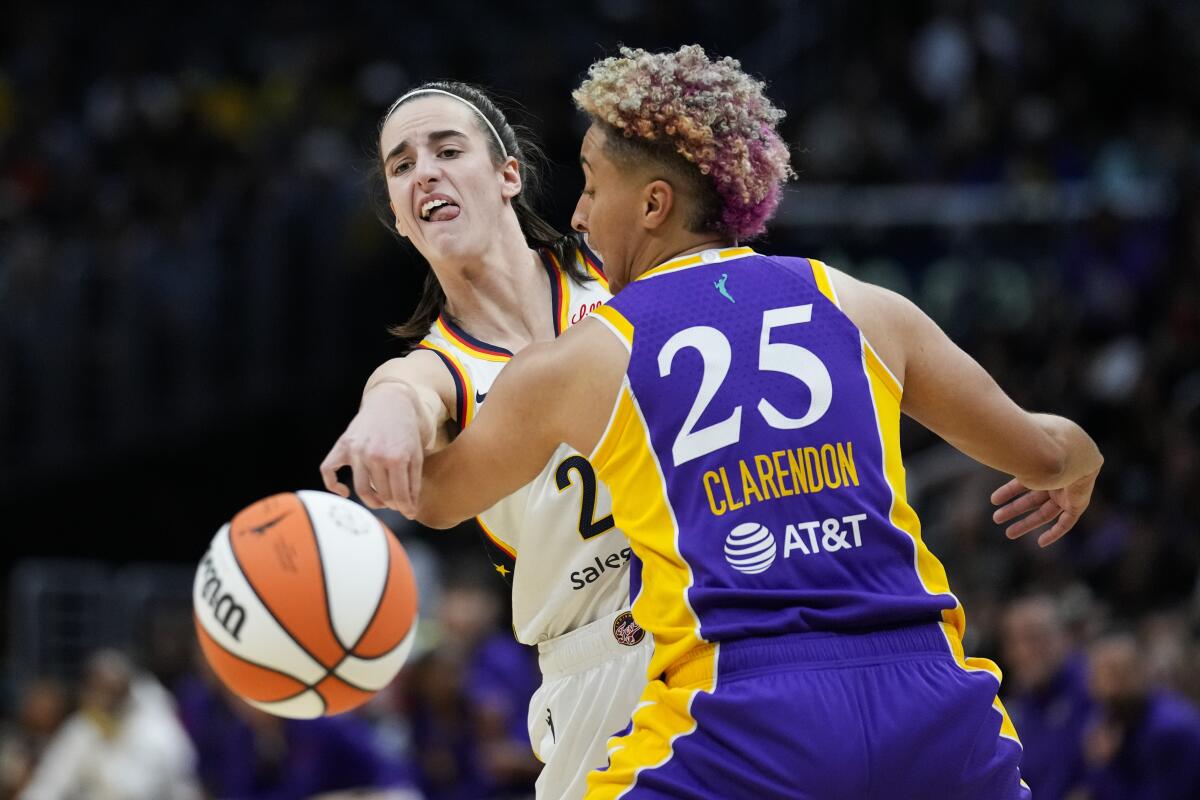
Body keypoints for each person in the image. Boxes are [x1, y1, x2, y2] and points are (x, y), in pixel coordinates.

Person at [403, 46, 1104, 799]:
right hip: (931, 700)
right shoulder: (861, 304)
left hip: (746, 710)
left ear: (653, 205)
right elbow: (1043, 447)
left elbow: (435, 497)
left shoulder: (591, 354)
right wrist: (1078, 465)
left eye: (591, 183)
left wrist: (405, 390)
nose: (575, 213)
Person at [319, 82, 651, 800]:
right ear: (401, 221)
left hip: (727, 607)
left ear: (509, 175)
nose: (424, 172)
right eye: (401, 166)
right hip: (600, 663)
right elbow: (407, 389)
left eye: (446, 149)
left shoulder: (618, 275)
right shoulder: (442, 368)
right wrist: (385, 411)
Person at [1081, 633, 1200, 800]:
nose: (1110, 687)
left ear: (1143, 673)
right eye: (1100, 677)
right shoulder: (1109, 720)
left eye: (1119, 674)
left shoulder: (1172, 728)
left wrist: (1107, 767)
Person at [1000, 595, 1093, 799]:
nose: (1024, 651)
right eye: (1014, 642)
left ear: (1063, 637)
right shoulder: (1011, 708)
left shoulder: (1094, 689)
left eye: (1034, 638)